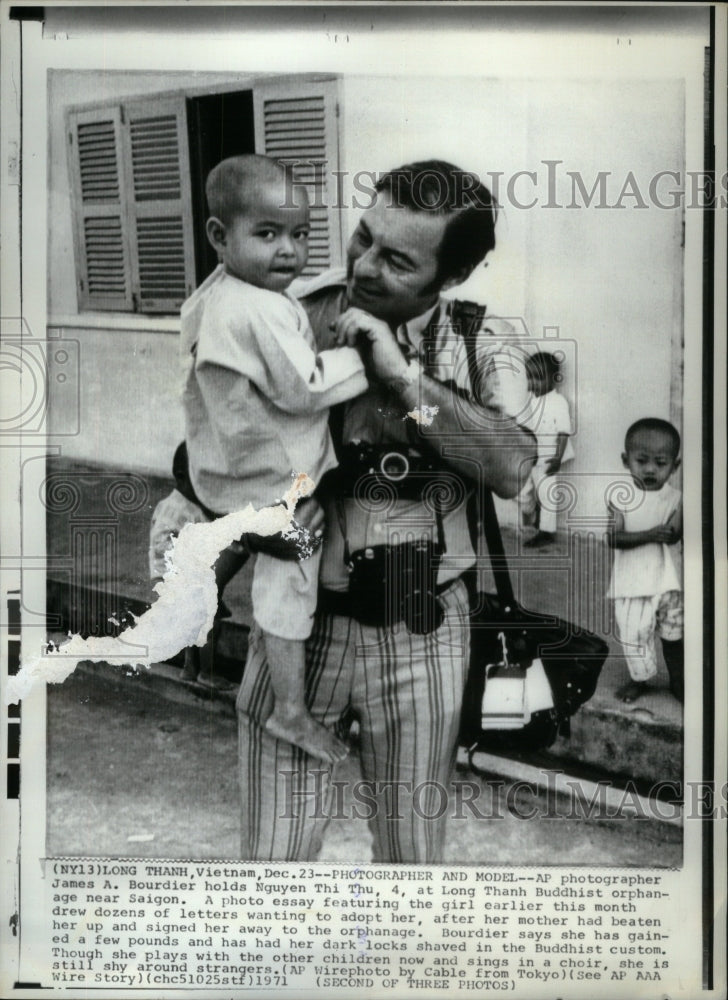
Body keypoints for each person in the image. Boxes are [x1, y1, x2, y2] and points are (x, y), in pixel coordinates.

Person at [237, 159, 537, 863]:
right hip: (299, 626)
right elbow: (205, 453)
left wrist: (404, 380)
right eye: (363, 238)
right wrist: (256, 519)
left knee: (411, 854)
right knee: (270, 857)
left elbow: (513, 466)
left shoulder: (480, 343)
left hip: (425, 628)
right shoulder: (292, 316)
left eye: (397, 260)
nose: (365, 267)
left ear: (452, 277)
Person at [182, 155, 368, 761]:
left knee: (232, 538)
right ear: (220, 236)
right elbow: (305, 386)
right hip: (273, 480)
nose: (288, 251)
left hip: (227, 464)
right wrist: (366, 360)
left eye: (300, 234)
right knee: (291, 579)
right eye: (267, 235)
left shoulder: (219, 292)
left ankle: (192, 601)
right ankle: (290, 711)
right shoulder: (259, 307)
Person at [607, 417, 683, 704]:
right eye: (642, 461)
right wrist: (652, 533)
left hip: (667, 582)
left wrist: (674, 527)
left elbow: (675, 535)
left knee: (673, 636)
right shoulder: (619, 497)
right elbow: (613, 538)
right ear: (626, 461)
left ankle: (678, 681)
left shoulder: (676, 498)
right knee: (635, 637)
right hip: (633, 584)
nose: (651, 469)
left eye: (661, 463)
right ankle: (639, 680)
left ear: (674, 466)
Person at [518, 351, 574, 548]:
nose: (533, 383)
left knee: (548, 495)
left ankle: (547, 531)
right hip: (533, 456)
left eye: (539, 378)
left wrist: (557, 458)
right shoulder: (532, 402)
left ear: (554, 379)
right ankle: (534, 513)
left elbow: (563, 433)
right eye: (530, 377)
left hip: (549, 459)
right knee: (523, 492)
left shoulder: (558, 402)